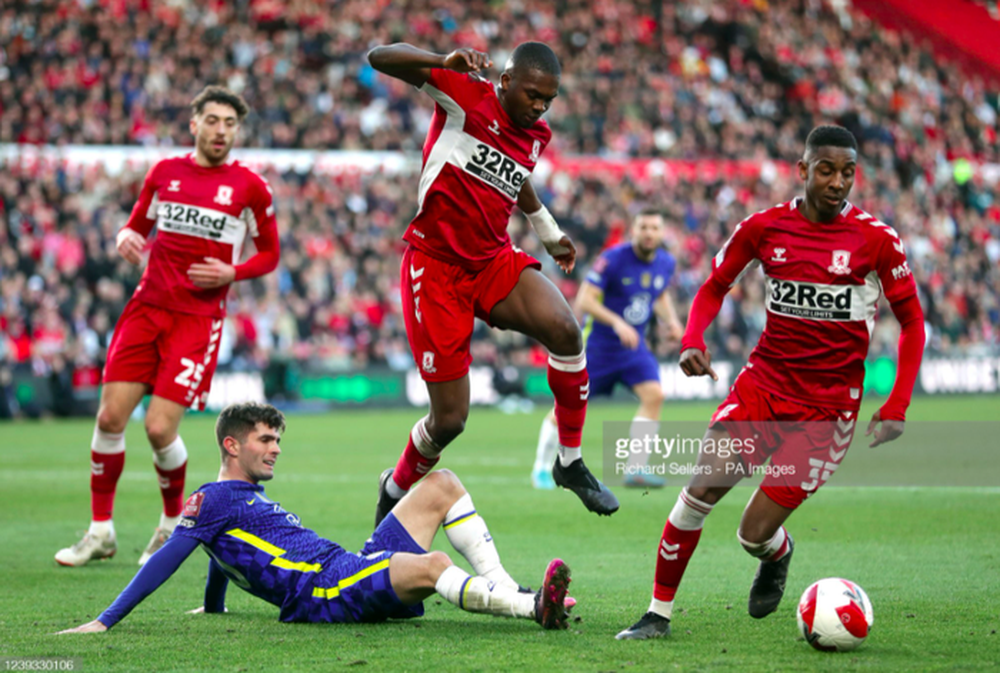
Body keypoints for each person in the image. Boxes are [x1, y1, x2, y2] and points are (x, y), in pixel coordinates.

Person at [616, 126, 926, 639]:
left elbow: (913, 323)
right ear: (803, 171)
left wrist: (897, 404)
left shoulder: (876, 240)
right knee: (698, 492)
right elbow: (715, 285)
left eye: (847, 172)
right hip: (763, 387)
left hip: (826, 414)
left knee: (752, 533)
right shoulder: (764, 228)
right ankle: (657, 615)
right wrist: (693, 337)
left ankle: (777, 554)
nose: (837, 182)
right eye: (826, 170)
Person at [365, 41, 618, 524]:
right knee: (450, 421)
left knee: (566, 331)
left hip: (491, 261)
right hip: (435, 268)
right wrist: (441, 60)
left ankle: (569, 462)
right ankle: (395, 486)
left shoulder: (535, 133)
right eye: (533, 94)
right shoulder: (463, 94)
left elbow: (517, 174)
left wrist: (549, 232)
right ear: (505, 81)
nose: (540, 106)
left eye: (549, 99)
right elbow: (379, 56)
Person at [56, 402, 573, 633]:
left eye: (278, 439)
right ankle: (530, 610)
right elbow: (168, 558)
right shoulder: (212, 499)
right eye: (265, 440)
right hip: (323, 592)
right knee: (434, 563)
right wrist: (105, 621)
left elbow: (218, 552)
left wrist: (214, 608)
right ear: (231, 445)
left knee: (442, 483)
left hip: (347, 567)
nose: (276, 449)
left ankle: (511, 587)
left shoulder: (233, 503)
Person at [54, 86, 281, 567]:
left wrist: (231, 273)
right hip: (146, 307)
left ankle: (172, 522)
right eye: (213, 120)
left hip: (197, 320)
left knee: (159, 429)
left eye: (230, 123)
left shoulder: (250, 188)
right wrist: (126, 237)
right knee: (109, 420)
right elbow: (135, 225)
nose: (222, 130)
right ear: (194, 123)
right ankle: (100, 532)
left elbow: (270, 254)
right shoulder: (164, 173)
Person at [532, 210, 683, 490]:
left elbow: (659, 293)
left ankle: (636, 468)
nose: (649, 233)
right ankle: (541, 468)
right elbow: (584, 300)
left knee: (655, 395)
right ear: (633, 230)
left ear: (662, 233)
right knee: (566, 408)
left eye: (654, 228)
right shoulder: (612, 259)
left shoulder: (666, 262)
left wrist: (672, 322)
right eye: (643, 226)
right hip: (599, 348)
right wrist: (617, 322)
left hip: (633, 348)